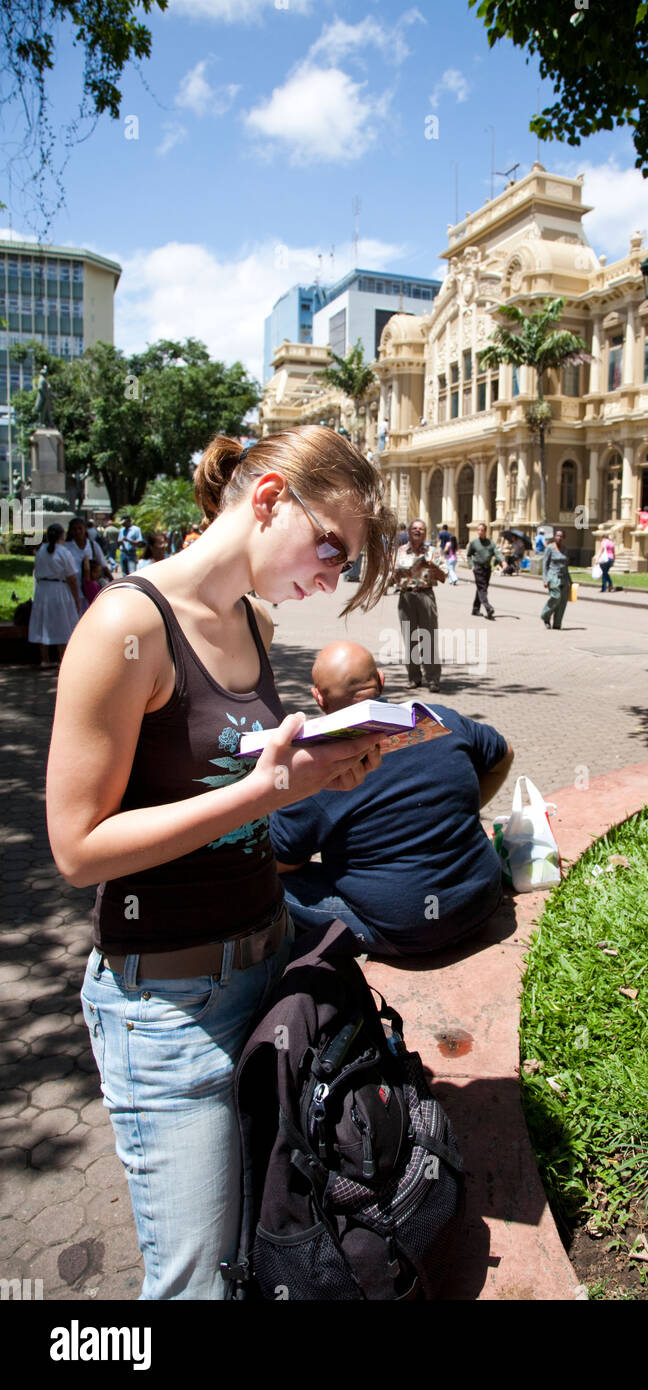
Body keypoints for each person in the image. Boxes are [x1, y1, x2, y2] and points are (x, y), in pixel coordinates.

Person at [47, 426, 395, 1300]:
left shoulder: (255, 617)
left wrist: (330, 760)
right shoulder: (128, 625)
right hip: (169, 1010)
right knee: (195, 1281)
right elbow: (76, 848)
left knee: (268, 1240)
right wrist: (265, 792)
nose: (332, 579)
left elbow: (248, 771)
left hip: (267, 966)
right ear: (271, 498)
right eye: (332, 549)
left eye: (344, 564)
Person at [271, 642, 514, 955]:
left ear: (317, 698)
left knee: (261, 884)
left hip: (406, 930)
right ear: (381, 681)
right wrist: (461, 808)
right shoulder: (439, 720)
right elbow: (503, 753)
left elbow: (283, 864)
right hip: (483, 902)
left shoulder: (315, 771)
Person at [393, 518, 446, 691]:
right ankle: (414, 678)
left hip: (425, 596)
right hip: (406, 597)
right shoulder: (400, 552)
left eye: (421, 529)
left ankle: (433, 679)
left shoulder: (432, 552)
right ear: (408, 532)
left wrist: (431, 566)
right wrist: (398, 573)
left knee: (428, 638)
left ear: (425, 533)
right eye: (414, 528)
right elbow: (390, 577)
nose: (417, 531)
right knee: (410, 639)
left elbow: (444, 576)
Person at [28, 524, 81, 668]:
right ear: (61, 535)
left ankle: (45, 658)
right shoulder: (64, 552)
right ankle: (62, 657)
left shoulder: (41, 550)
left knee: (43, 622)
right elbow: (72, 578)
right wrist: (76, 599)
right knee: (62, 622)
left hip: (43, 590)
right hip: (59, 589)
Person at [64, 517, 108, 610]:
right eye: (74, 529)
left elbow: (103, 565)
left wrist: (113, 583)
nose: (77, 531)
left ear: (85, 529)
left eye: (80, 528)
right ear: (70, 531)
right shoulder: (66, 547)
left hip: (90, 590)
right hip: (71, 590)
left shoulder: (93, 545)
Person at [465, 522, 503, 620]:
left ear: (485, 531)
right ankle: (488, 608)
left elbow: (497, 552)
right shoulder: (474, 543)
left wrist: (503, 561)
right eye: (478, 530)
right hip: (477, 568)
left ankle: (475, 609)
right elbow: (469, 555)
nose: (480, 532)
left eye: (482, 530)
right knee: (482, 589)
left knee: (481, 588)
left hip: (487, 569)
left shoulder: (490, 543)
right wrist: (471, 565)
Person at [541, 529, 571, 629]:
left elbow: (566, 566)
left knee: (562, 602)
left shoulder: (565, 549)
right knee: (556, 596)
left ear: (563, 538)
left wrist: (570, 580)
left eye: (561, 536)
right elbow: (545, 564)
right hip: (552, 576)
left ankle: (557, 624)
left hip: (564, 577)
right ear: (554, 536)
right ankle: (545, 616)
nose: (559, 538)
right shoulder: (549, 548)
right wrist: (545, 579)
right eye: (557, 536)